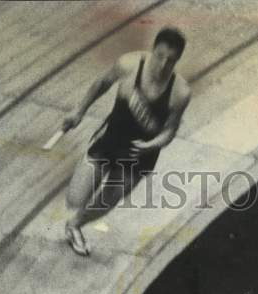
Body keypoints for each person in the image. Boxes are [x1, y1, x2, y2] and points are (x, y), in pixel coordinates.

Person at [62, 26, 192, 256]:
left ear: (178, 60)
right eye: (160, 57)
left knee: (107, 201)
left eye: (170, 61)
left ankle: (75, 226)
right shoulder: (129, 64)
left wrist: (151, 145)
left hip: (140, 156)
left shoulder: (180, 92)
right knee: (74, 199)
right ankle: (77, 212)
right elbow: (101, 83)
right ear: (152, 50)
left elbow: (170, 131)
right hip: (110, 140)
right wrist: (79, 111)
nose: (163, 65)